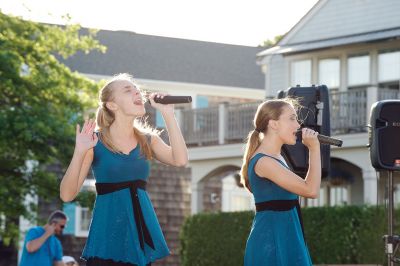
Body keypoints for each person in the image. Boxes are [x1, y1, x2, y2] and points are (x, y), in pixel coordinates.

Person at [60, 73, 188, 266]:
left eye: (137, 89)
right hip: (106, 238)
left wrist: (168, 114)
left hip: (139, 237)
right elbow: (66, 195)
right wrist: (79, 151)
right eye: (128, 90)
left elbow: (180, 160)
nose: (137, 92)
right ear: (112, 105)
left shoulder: (148, 140)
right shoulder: (94, 142)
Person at [241, 98, 321, 266]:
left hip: (286, 237)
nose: (298, 125)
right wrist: (314, 149)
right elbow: (311, 190)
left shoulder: (277, 157)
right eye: (292, 118)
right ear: (274, 124)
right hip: (272, 243)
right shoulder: (264, 162)